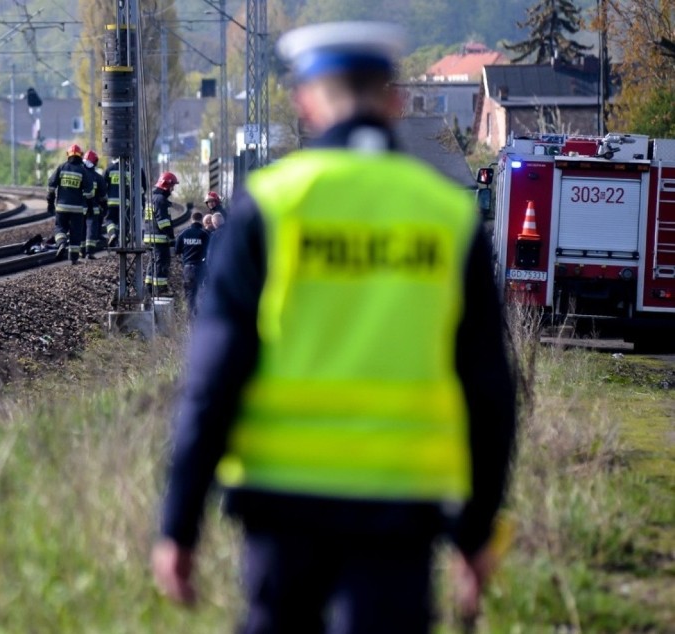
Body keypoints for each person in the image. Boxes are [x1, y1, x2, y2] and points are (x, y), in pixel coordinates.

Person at [151, 20, 517, 634]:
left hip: (281, 504)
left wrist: (179, 524)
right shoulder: (448, 219)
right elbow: (490, 387)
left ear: (305, 101)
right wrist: (477, 531)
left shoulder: (270, 207)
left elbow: (212, 376)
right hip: (402, 508)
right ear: (395, 99)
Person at [46, 144, 94, 265]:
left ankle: (61, 243)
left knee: (60, 228)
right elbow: (89, 191)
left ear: (68, 155)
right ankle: (73, 258)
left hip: (61, 208)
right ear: (80, 156)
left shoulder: (61, 167)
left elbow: (51, 185)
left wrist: (50, 203)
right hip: (77, 209)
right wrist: (90, 206)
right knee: (76, 232)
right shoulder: (82, 171)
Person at [144, 171, 178, 295]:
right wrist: (171, 236)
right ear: (166, 185)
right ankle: (160, 290)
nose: (172, 189)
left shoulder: (152, 198)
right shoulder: (160, 200)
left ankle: (149, 287)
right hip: (158, 237)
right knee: (161, 262)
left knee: (153, 262)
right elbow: (163, 221)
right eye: (172, 186)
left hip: (151, 236)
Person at [174, 210, 210, 317]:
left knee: (189, 295)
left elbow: (177, 250)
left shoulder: (183, 233)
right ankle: (201, 318)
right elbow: (209, 250)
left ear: (191, 220)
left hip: (187, 268)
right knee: (201, 294)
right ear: (201, 220)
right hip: (200, 268)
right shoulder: (204, 234)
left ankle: (190, 319)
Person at [81, 149, 109, 260]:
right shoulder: (98, 177)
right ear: (95, 162)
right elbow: (103, 196)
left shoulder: (79, 174)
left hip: (80, 208)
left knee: (81, 230)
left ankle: (81, 252)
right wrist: (105, 207)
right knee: (91, 231)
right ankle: (89, 252)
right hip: (93, 209)